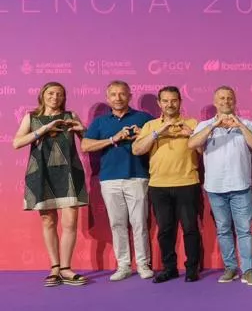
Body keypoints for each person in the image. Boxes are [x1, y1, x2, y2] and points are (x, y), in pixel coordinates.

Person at [13, 81, 89, 286]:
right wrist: (44, 129)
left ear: (64, 98)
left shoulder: (70, 116)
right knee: (48, 221)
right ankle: (54, 267)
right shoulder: (32, 117)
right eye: (51, 93)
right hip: (41, 174)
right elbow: (17, 143)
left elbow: (88, 144)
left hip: (69, 174)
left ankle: (66, 268)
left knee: (70, 222)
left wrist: (83, 131)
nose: (55, 97)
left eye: (59, 94)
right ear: (42, 95)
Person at [188, 86, 252, 286]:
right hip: (215, 187)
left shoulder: (247, 124)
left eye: (229, 98)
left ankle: (248, 270)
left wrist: (240, 126)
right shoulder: (204, 125)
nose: (225, 101)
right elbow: (192, 144)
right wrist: (214, 126)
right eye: (221, 98)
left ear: (235, 101)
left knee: (244, 230)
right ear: (215, 102)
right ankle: (230, 267)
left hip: (241, 186)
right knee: (223, 230)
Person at [81, 80, 153, 281]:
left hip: (138, 176)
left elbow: (157, 139)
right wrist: (114, 139)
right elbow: (85, 146)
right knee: (117, 224)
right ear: (107, 98)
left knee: (139, 223)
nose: (118, 98)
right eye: (113, 94)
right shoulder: (100, 122)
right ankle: (123, 265)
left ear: (130, 96)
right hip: (109, 179)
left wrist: (142, 135)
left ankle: (143, 264)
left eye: (122, 94)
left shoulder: (144, 118)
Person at [132, 86, 202, 282]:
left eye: (174, 100)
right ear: (159, 103)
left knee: (190, 228)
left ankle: (191, 269)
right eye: (165, 101)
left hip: (187, 182)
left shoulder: (193, 123)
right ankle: (169, 268)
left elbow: (204, 152)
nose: (170, 104)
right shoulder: (151, 125)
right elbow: (137, 150)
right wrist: (157, 132)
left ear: (180, 101)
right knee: (165, 230)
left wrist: (192, 135)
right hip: (159, 185)